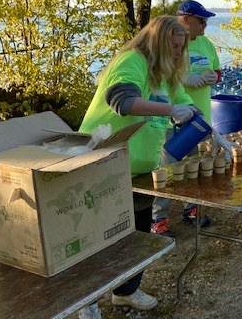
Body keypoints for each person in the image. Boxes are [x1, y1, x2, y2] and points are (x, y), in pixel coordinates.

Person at [78, 16, 199, 313]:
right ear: (156, 41)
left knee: (137, 236)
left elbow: (189, 107)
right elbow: (122, 101)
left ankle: (126, 291)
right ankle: (86, 302)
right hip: (104, 165)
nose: (176, 53)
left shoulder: (164, 74)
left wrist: (213, 133)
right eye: (172, 46)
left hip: (140, 168)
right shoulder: (132, 61)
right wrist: (171, 109)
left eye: (180, 48)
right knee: (98, 239)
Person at [150, 0, 222, 236]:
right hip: (169, 120)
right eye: (201, 21)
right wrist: (184, 79)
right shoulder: (170, 44)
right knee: (165, 169)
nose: (204, 26)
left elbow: (218, 69)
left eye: (206, 21)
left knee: (194, 166)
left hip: (198, 117)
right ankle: (158, 219)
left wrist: (215, 76)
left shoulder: (207, 45)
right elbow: (161, 76)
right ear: (184, 19)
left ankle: (191, 208)